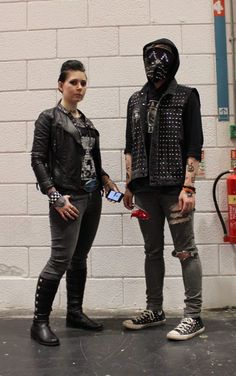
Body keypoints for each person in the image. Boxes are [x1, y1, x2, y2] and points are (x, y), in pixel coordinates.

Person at [31, 60, 118, 346]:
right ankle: (39, 322)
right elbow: (37, 159)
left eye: (83, 82)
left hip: (93, 197)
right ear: (61, 85)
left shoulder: (86, 121)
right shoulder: (49, 118)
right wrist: (54, 196)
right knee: (60, 259)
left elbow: (89, 161)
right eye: (73, 82)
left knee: (78, 258)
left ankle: (74, 313)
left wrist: (105, 179)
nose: (79, 87)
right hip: (68, 198)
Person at [122, 38, 204, 341]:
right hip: (144, 188)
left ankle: (193, 316)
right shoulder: (134, 100)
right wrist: (129, 183)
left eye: (162, 57)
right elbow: (129, 144)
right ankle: (154, 310)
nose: (155, 62)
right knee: (151, 251)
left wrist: (189, 187)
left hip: (175, 188)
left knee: (186, 250)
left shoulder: (186, 96)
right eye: (150, 56)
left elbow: (195, 144)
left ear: (174, 62)